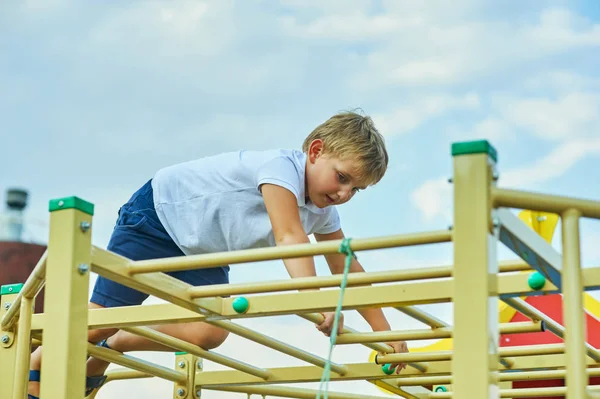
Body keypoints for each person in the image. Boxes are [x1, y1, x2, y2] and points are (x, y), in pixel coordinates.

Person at [28, 110, 409, 399]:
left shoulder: (325, 210)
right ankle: (31, 364)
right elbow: (289, 235)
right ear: (314, 151)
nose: (344, 194)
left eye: (356, 189)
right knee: (96, 322)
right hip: (159, 217)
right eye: (342, 178)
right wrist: (315, 298)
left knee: (208, 331)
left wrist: (387, 332)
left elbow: (346, 265)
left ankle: (112, 343)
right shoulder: (280, 169)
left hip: (203, 249)